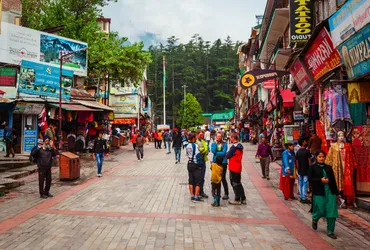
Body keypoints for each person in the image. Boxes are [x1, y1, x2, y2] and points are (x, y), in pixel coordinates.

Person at [309, 151, 340, 239]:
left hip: (330, 192)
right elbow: (310, 179)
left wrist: (337, 193)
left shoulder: (328, 167)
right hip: (319, 191)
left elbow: (333, 180)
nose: (322, 158)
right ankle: (315, 218)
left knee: (332, 211)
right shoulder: (312, 167)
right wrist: (320, 180)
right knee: (320, 209)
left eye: (323, 157)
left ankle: (330, 231)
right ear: (316, 157)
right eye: (320, 157)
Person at [226, 133, 246, 205]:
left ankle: (237, 198)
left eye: (230, 138)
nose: (230, 139)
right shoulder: (240, 147)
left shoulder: (234, 147)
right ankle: (243, 198)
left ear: (233, 138)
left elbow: (227, 155)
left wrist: (227, 153)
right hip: (238, 166)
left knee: (234, 183)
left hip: (233, 167)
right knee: (238, 182)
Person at [210, 132, 229, 200]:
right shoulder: (213, 143)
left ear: (222, 137)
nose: (219, 138)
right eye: (218, 136)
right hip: (215, 162)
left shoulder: (225, 144)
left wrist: (217, 153)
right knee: (215, 178)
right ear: (216, 137)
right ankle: (216, 193)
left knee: (223, 178)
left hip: (223, 162)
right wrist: (215, 143)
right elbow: (213, 151)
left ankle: (226, 193)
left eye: (220, 136)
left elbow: (224, 153)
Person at [186, 132, 203, 202]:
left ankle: (192, 195)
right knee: (198, 181)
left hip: (189, 164)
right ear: (193, 139)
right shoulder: (195, 146)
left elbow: (187, 154)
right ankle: (196, 196)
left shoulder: (187, 146)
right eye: (195, 138)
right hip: (196, 164)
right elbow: (198, 155)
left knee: (191, 180)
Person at [296, 138, 311, 203]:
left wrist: (297, 168)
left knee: (301, 183)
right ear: (302, 143)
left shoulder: (298, 152)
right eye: (305, 141)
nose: (306, 142)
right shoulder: (306, 151)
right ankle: (304, 197)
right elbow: (309, 161)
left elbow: (296, 162)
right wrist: (310, 168)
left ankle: (302, 196)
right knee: (305, 183)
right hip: (306, 169)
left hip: (300, 170)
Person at [196, 130, 209, 198]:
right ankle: (196, 192)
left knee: (202, 177)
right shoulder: (195, 141)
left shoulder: (203, 141)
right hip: (197, 161)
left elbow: (207, 149)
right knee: (197, 177)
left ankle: (201, 191)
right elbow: (198, 150)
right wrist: (203, 150)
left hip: (203, 160)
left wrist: (205, 150)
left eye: (202, 135)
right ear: (197, 134)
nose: (202, 136)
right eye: (201, 135)